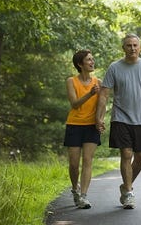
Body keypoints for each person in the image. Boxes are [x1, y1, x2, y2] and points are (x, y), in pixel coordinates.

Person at [96, 33, 141, 210]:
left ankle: (125, 186)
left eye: (135, 45)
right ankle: (130, 192)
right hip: (120, 118)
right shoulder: (114, 67)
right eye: (128, 45)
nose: (132, 48)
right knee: (126, 153)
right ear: (123, 48)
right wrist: (99, 117)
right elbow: (104, 94)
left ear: (139, 48)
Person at [64, 49, 101, 209]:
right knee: (73, 163)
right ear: (80, 64)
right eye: (89, 60)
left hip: (92, 126)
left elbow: (102, 104)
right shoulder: (71, 81)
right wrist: (90, 94)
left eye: (92, 59)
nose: (92, 62)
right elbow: (74, 104)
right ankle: (75, 189)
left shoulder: (98, 82)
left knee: (87, 161)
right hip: (74, 125)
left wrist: (99, 119)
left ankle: (84, 196)